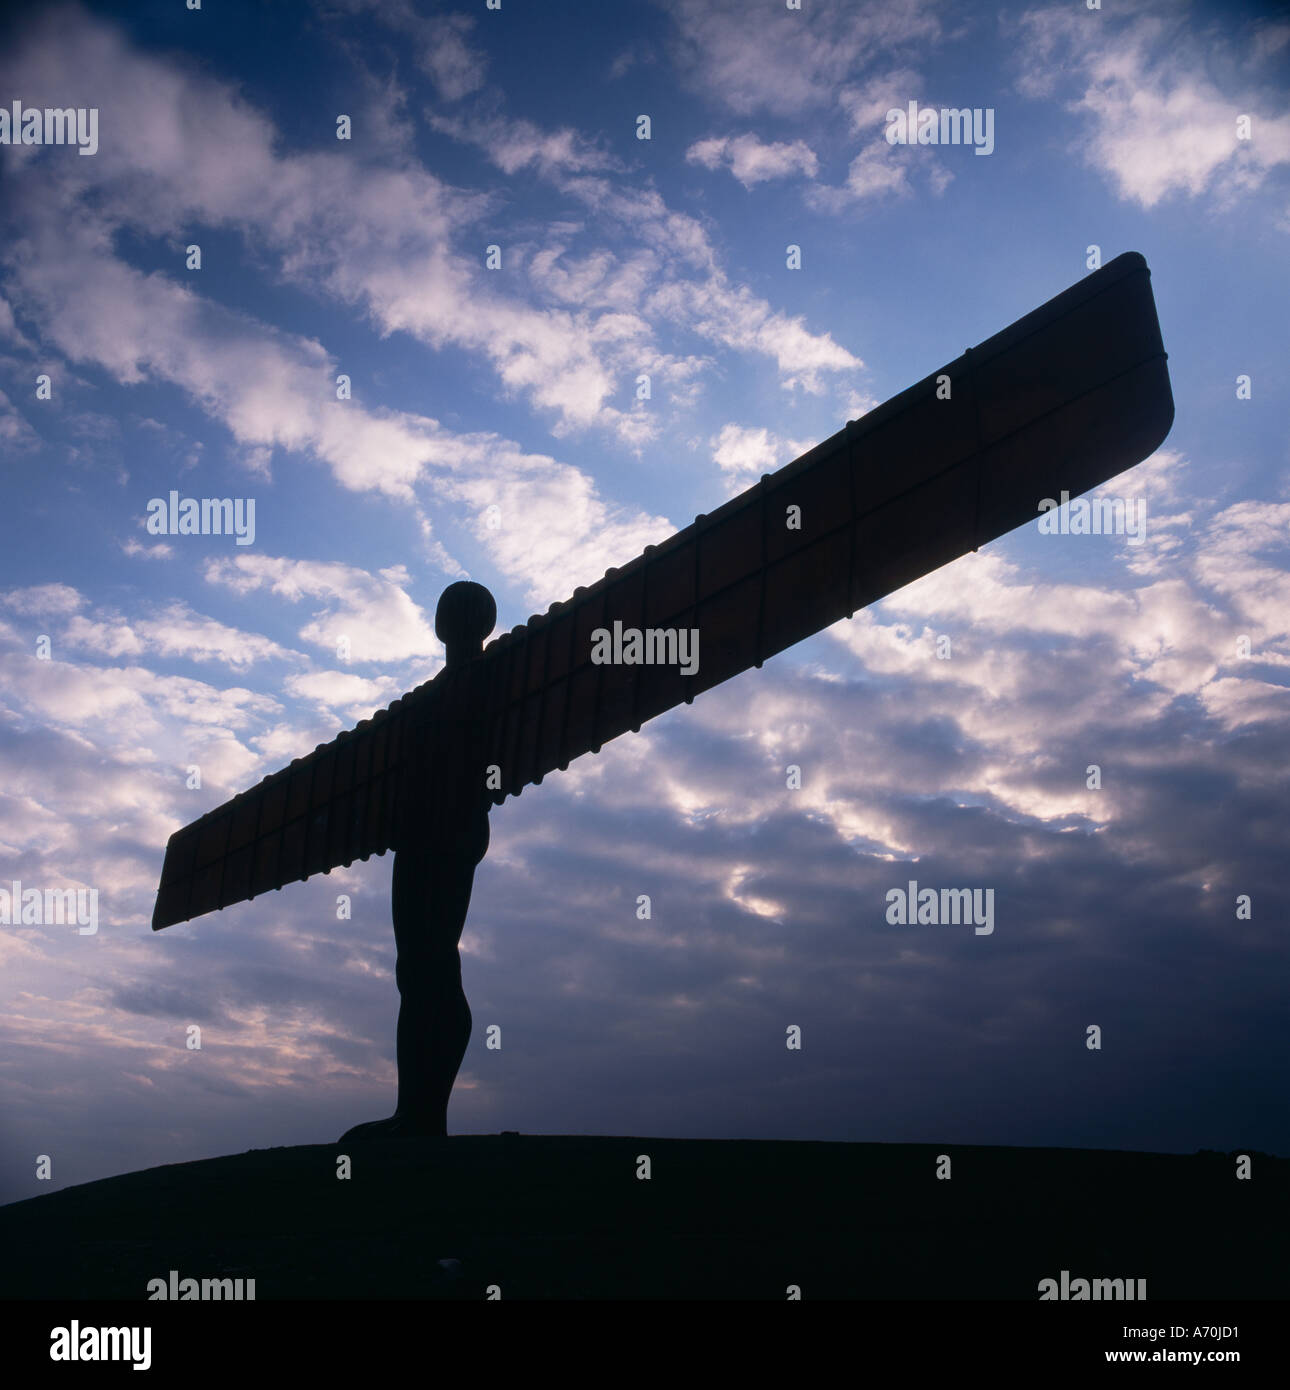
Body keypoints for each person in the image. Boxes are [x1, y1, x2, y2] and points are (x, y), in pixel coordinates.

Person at [339, 583, 496, 1142]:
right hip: (417, 835)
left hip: (451, 832)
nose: (449, 619)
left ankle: (427, 1117)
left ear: (484, 622)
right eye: (446, 610)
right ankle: (414, 1112)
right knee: (414, 969)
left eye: (461, 610)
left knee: (433, 963)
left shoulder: (494, 677)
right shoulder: (427, 700)